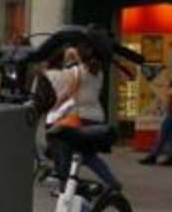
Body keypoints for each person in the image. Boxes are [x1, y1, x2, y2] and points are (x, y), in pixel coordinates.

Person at [49, 43, 120, 190]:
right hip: (97, 116)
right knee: (86, 154)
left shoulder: (77, 71)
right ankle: (111, 181)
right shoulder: (99, 73)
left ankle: (65, 184)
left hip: (81, 116)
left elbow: (69, 93)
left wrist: (55, 106)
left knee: (65, 147)